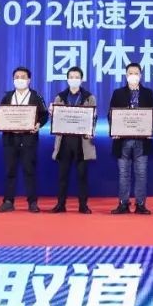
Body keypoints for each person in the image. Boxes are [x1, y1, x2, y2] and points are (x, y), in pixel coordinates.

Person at [0, 67, 49, 213]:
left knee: (29, 170)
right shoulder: (7, 96)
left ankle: (32, 202)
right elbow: (0, 114)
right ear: (13, 80)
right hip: (10, 138)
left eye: (23, 77)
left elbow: (44, 115)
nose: (20, 79)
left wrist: (38, 124)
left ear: (29, 80)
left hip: (28, 138)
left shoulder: (36, 96)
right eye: (17, 77)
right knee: (10, 171)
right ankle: (8, 201)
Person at [109, 62, 153, 215]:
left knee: (141, 174)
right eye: (130, 73)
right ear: (126, 75)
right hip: (122, 141)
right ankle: (123, 204)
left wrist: (149, 128)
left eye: (136, 73)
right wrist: (114, 129)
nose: (133, 76)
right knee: (123, 174)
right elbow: (111, 114)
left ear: (141, 75)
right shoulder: (117, 93)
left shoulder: (148, 93)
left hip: (142, 141)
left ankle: (140, 204)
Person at [50, 66, 97, 214]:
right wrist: (52, 113)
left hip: (82, 141)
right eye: (71, 77)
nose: (74, 79)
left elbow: (93, 118)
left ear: (81, 79)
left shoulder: (89, 97)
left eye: (77, 77)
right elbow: (56, 120)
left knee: (82, 175)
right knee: (62, 175)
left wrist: (91, 130)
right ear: (67, 79)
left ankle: (83, 205)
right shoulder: (60, 97)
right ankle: (60, 204)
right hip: (64, 141)